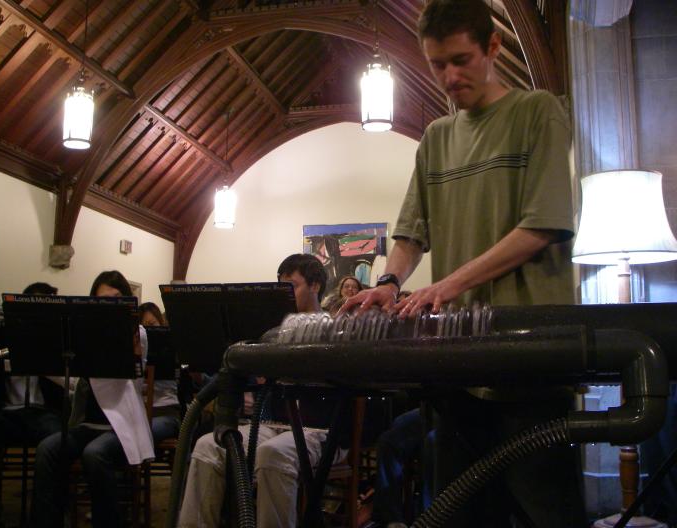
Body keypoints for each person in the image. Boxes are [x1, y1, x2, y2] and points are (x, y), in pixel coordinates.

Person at [342, 1, 584, 526]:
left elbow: (541, 226)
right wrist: (389, 281)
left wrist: (446, 285)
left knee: (543, 513)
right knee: (461, 513)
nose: (450, 77)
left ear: (492, 47)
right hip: (458, 362)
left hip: (530, 361)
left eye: (461, 60)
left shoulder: (538, 111)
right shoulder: (436, 138)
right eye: (437, 64)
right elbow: (411, 234)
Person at [178, 254, 347, 528]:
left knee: (273, 454)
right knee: (207, 446)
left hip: (319, 430)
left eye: (292, 286)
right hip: (273, 424)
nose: (285, 294)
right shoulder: (274, 333)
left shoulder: (336, 330)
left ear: (315, 286)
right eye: (281, 287)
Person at [31, 271, 154, 528]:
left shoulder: (138, 332)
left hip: (122, 425)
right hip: (89, 424)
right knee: (47, 449)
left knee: (94, 454)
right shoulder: (84, 333)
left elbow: (132, 376)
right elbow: (76, 382)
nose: (111, 306)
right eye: (104, 301)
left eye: (117, 299)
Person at [0, 283, 63, 528]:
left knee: (56, 439)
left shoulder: (58, 340)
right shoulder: (3, 337)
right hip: (9, 413)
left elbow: (70, 383)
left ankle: (45, 517)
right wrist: (1, 357)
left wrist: (43, 358)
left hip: (45, 413)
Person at [139, 302, 181, 448]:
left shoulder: (172, 348)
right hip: (138, 415)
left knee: (141, 434)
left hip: (166, 413)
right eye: (141, 327)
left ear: (161, 323)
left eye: (152, 325)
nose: (146, 332)